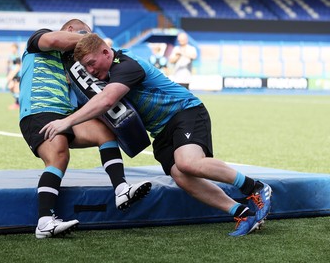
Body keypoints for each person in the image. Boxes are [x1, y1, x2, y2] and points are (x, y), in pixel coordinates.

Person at [40, 33, 273, 237]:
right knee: (181, 176)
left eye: (92, 63)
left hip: (184, 111)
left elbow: (107, 100)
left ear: (105, 52)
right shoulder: (104, 72)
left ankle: (255, 188)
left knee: (188, 162)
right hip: (161, 130)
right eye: (86, 67)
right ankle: (242, 213)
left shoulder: (126, 64)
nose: (90, 70)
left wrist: (67, 122)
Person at [19, 20, 151, 239]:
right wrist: (92, 41)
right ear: (70, 30)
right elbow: (53, 40)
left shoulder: (72, 62)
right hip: (37, 111)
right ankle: (44, 222)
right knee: (59, 152)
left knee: (105, 131)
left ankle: (121, 189)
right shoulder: (39, 39)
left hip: (64, 114)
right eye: (81, 35)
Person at [6, 43, 21, 110]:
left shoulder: (17, 56)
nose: (12, 49)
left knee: (16, 90)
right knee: (11, 88)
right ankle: (17, 103)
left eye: (13, 48)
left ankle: (17, 104)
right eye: (11, 48)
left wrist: (11, 75)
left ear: (16, 49)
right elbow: (9, 65)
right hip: (12, 74)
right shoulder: (11, 56)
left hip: (17, 75)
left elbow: (18, 67)